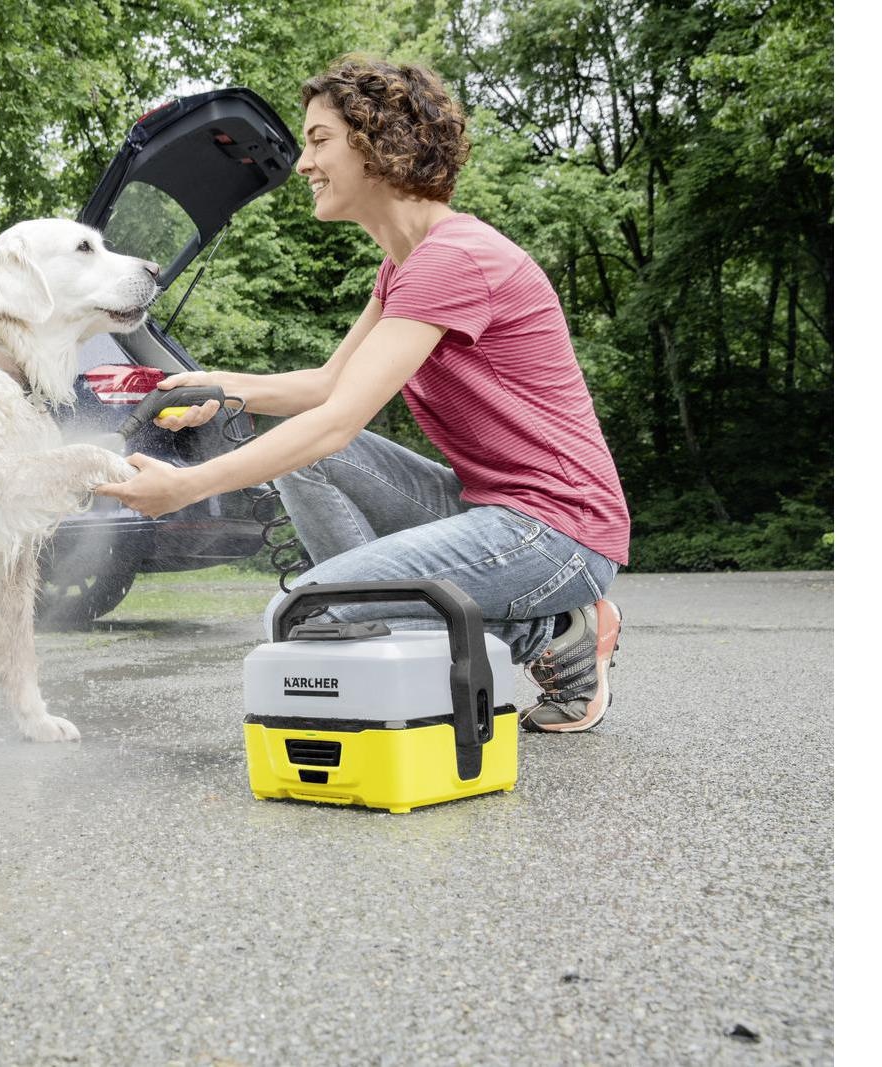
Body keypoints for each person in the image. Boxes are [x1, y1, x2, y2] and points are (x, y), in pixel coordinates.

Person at [95, 56, 629, 732]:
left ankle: (551, 630)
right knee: (312, 527)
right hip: (493, 509)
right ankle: (381, 610)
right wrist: (223, 388)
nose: (302, 164)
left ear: (380, 143)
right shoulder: (403, 266)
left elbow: (336, 422)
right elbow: (327, 386)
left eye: (318, 141)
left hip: (555, 531)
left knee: (306, 615)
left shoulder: (450, 259)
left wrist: (183, 487)